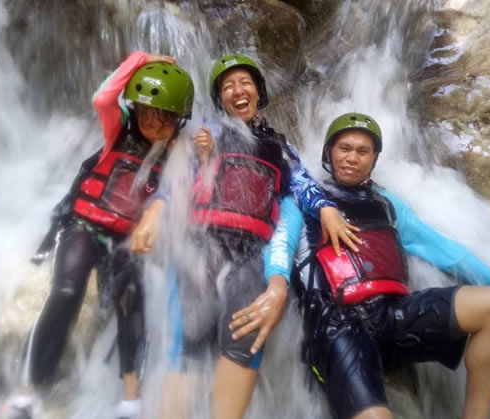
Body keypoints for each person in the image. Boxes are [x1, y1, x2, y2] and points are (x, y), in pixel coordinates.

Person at [131, 53, 348, 419]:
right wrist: (155, 211)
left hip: (252, 250)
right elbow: (177, 179)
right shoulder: (206, 133)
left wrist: (325, 207)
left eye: (245, 82)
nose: (238, 89)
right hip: (203, 241)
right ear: (221, 99)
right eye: (229, 85)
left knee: (245, 335)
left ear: (258, 94)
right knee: (190, 338)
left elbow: (302, 184)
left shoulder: (280, 146)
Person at [293, 112, 490, 419]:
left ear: (374, 159)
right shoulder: (302, 201)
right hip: (338, 326)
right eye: (344, 148)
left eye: (363, 151)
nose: (352, 158)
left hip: (393, 314)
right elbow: (277, 248)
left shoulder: (387, 204)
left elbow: (445, 251)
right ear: (328, 152)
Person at [2, 51, 194, 419]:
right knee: (67, 291)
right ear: (135, 114)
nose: (152, 129)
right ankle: (28, 387)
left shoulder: (177, 152)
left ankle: (130, 401)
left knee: (131, 299)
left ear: (177, 121)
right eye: (146, 118)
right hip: (84, 226)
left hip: (126, 240)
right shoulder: (116, 130)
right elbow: (103, 98)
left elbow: (187, 192)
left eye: (163, 122)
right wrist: (141, 59)